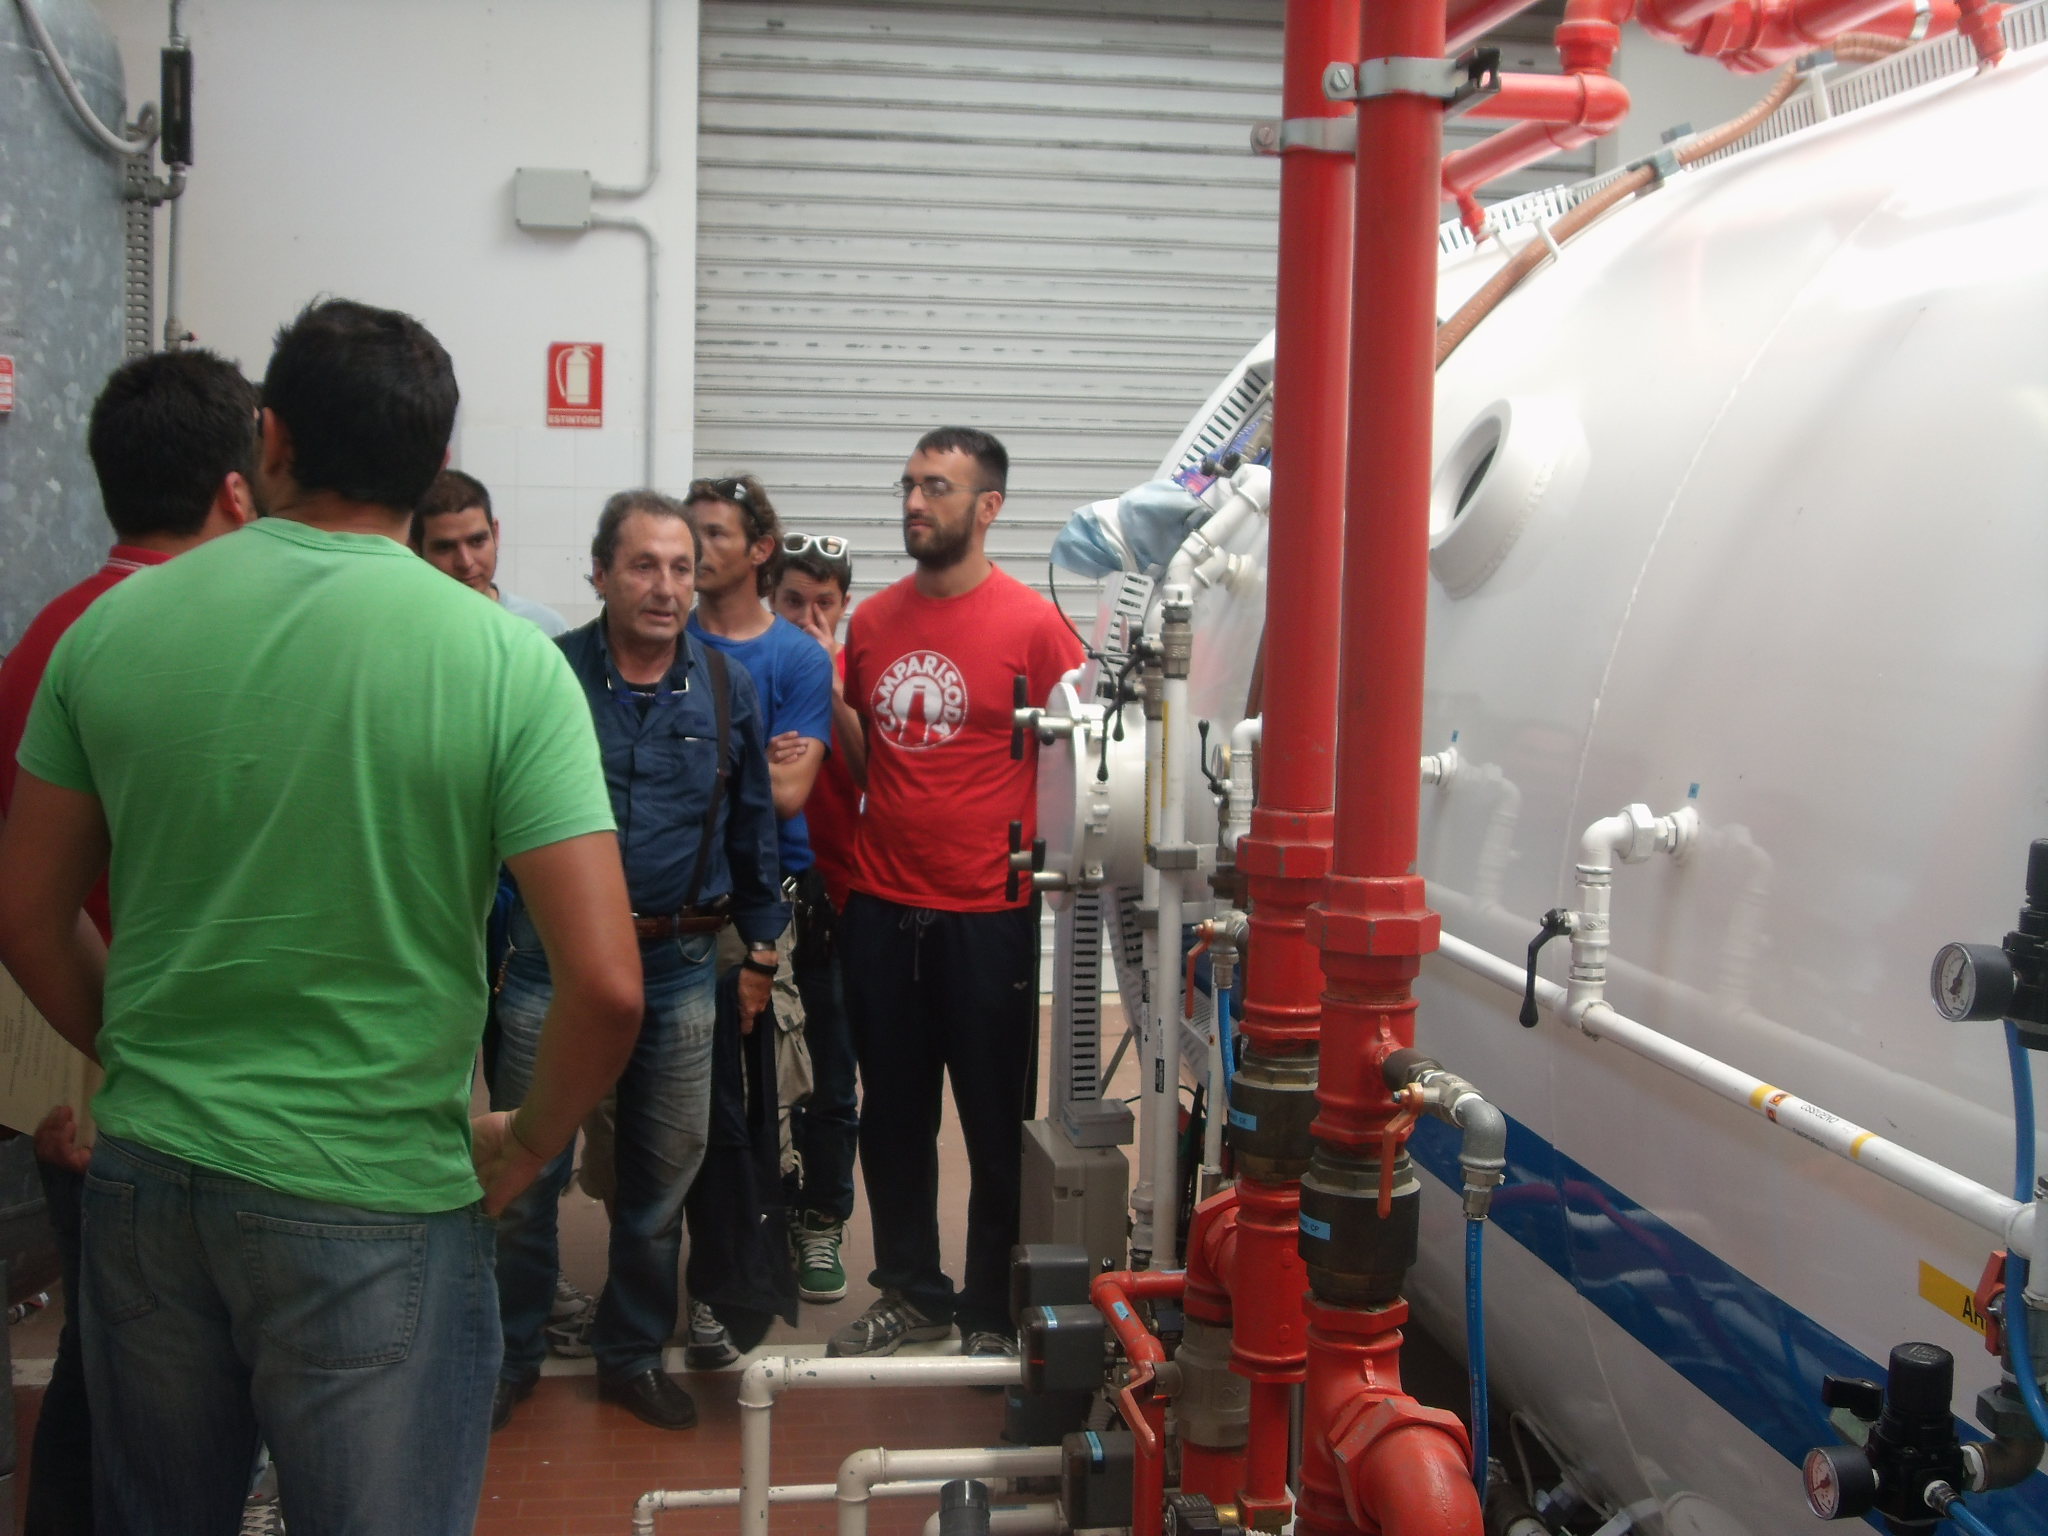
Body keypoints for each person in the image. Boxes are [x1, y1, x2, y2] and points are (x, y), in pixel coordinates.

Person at [0, 298, 643, 1536]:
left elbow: (27, 915)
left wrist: (141, 1055)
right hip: (379, 1194)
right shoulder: (504, 662)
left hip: (151, 1184)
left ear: (272, 438)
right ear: (432, 460)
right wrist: (524, 1146)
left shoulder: (110, 629)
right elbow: (607, 985)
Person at [0, 348, 259, 1536]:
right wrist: (121, 1061)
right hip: (139, 1068)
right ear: (237, 489)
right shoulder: (205, 640)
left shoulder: (48, 634)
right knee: (143, 1391)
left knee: (106, 1364)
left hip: (70, 1052)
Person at [491, 488, 785, 1433]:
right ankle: (510, 1353)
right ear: (600, 574)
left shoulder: (726, 687)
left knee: (661, 1182)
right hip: (552, 963)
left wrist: (762, 950)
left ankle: (630, 1355)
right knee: (526, 1170)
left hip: (678, 967)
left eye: (681, 568)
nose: (666, 587)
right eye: (644, 566)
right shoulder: (546, 676)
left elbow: (752, 829)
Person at [831, 428, 1083, 1360]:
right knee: (893, 1117)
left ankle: (987, 1309)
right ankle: (912, 1292)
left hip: (989, 916)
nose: (913, 502)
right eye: (908, 484)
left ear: (988, 507)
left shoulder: (1035, 627)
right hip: (882, 909)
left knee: (992, 1125)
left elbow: (1079, 760)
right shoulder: (871, 624)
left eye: (936, 487)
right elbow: (873, 756)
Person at [682, 478, 845, 1315]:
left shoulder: (798, 660)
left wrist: (689, 758)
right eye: (689, 531)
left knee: (776, 1095)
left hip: (770, 905)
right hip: (673, 902)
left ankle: (756, 1267)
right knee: (676, 1101)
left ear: (757, 550)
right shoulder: (662, 637)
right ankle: (696, 1274)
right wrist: (750, 753)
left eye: (714, 533)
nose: (695, 548)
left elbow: (786, 796)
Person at [768, 531, 865, 1304]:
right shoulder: (749, 661)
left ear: (844, 606)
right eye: (793, 602)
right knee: (758, 1075)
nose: (807, 618)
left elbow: (871, 774)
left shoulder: (852, 671)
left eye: (823, 605)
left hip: (837, 900)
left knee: (832, 1075)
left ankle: (822, 1219)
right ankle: (764, 1214)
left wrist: (829, 683)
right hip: (761, 897)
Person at [411, 467, 568, 635]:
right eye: (445, 547)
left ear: (495, 533)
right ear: (415, 549)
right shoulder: (406, 629)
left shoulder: (546, 628)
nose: (465, 562)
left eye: (477, 541)